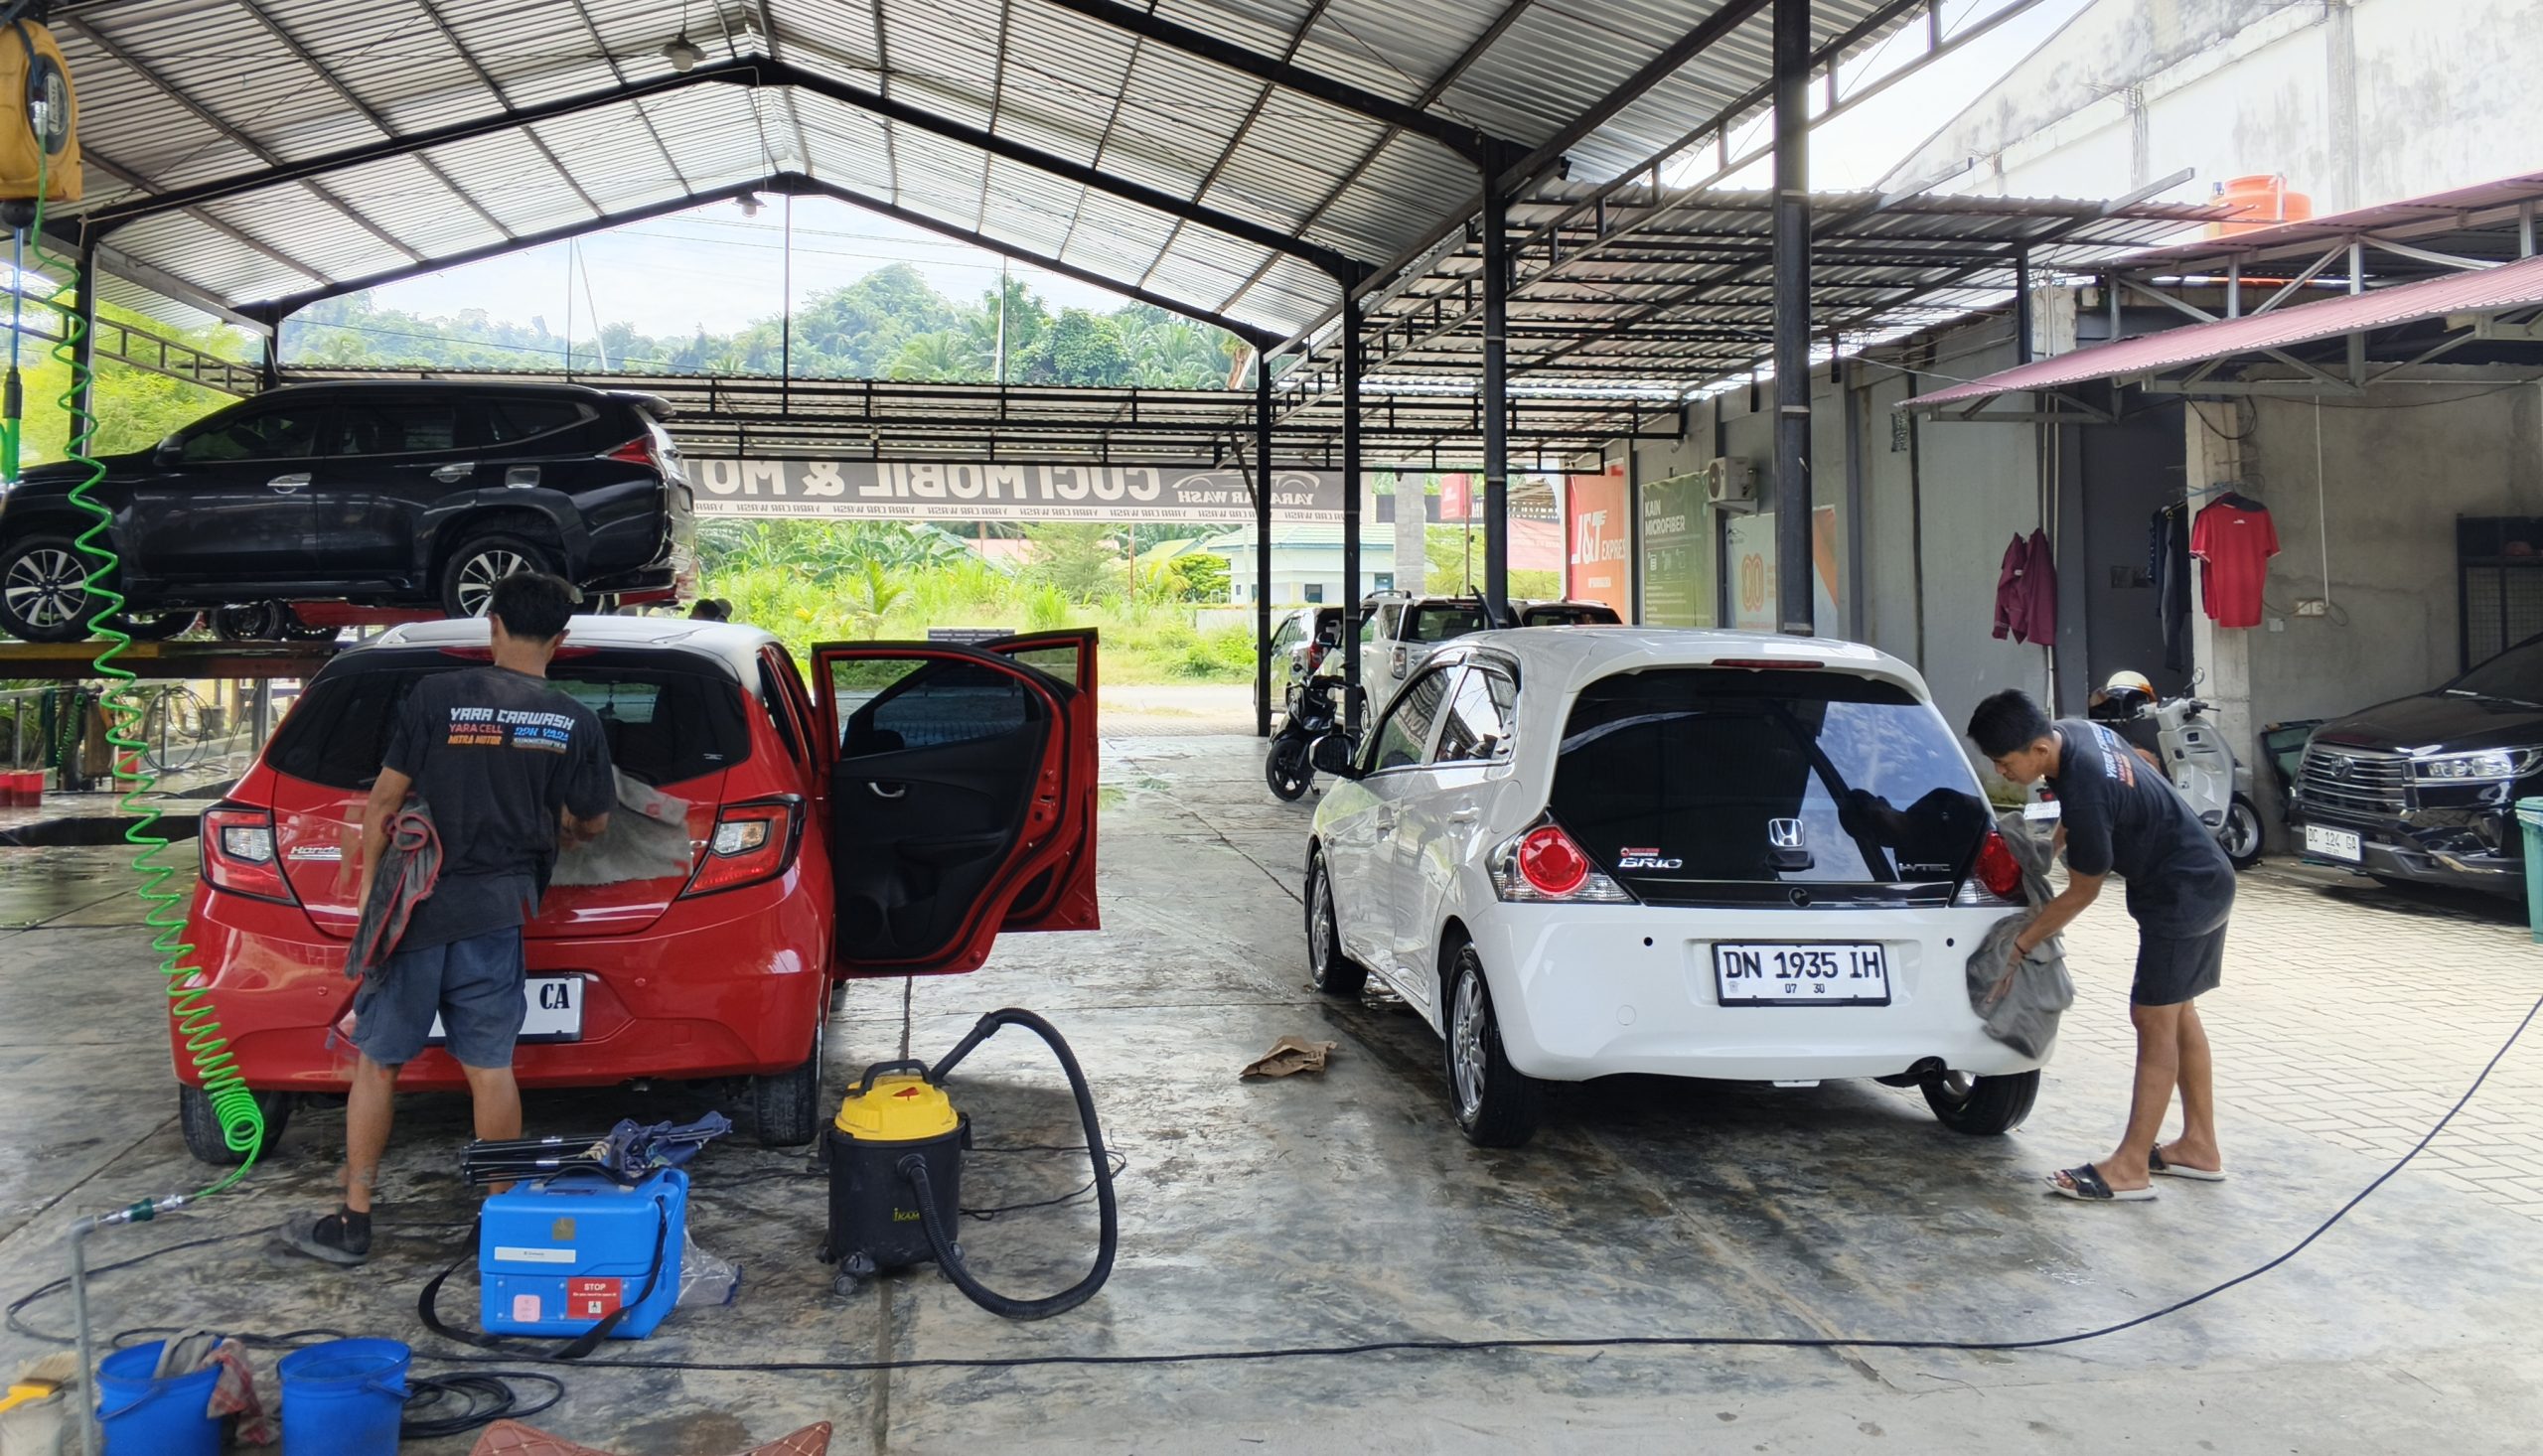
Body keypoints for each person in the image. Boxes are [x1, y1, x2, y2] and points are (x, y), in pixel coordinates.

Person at [283, 572, 615, 1264]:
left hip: (416, 913)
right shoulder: (574, 722)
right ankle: (500, 1219)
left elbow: (383, 804)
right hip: (496, 914)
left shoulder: (437, 697)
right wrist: (560, 823)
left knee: (378, 1065)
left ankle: (354, 1220)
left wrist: (372, 900)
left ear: (492, 624)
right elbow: (593, 823)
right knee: (490, 1069)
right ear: (560, 639)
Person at [1966, 688, 2236, 1204]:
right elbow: (2090, 806)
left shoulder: (2086, 785)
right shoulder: (2076, 734)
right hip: (2205, 877)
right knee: (2178, 1014)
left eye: (2004, 762)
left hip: (2181, 895)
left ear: (2038, 750)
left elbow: (2083, 891)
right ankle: (2200, 1147)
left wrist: (2020, 945)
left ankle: (2130, 1168)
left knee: (2152, 1020)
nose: (2001, 772)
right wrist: (2050, 847)